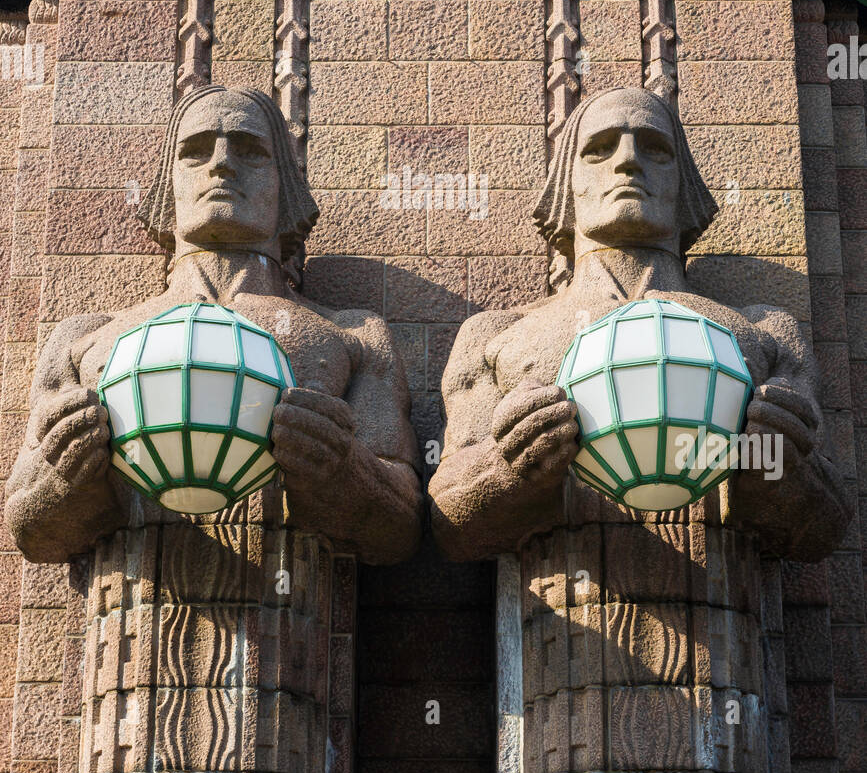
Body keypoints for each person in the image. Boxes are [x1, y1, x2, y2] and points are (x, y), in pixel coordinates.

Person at [429, 86, 849, 563]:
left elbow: (829, 525)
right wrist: (507, 469)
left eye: (655, 149)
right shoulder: (497, 335)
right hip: (554, 619)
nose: (628, 162)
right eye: (599, 149)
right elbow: (448, 524)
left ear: (684, 184)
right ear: (567, 185)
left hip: (734, 615)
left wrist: (778, 469)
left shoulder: (766, 332)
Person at [6, 85, 422, 565]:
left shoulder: (352, 336)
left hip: (295, 609)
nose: (221, 164)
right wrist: (65, 476)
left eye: (251, 152)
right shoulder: (85, 340)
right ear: (169, 183)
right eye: (195, 151)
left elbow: (402, 526)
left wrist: (344, 472)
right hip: (126, 613)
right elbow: (27, 527)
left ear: (284, 186)